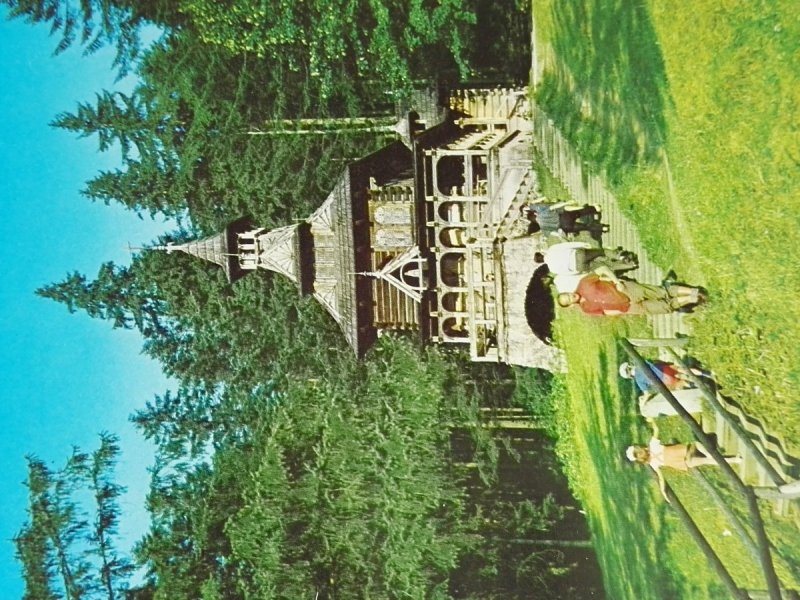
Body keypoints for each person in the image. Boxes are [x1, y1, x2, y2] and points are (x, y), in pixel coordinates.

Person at [626, 434, 741, 501]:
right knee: (699, 448)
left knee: (707, 460)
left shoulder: (653, 460)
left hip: (686, 460)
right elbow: (656, 430)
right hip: (686, 453)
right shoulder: (652, 446)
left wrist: (663, 492)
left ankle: (734, 459)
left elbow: (661, 478)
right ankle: (713, 454)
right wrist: (651, 422)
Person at [556, 266, 707, 315]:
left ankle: (693, 291)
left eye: (567, 295)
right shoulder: (586, 308)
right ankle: (691, 299)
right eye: (568, 299)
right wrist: (621, 311)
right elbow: (605, 313)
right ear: (570, 304)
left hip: (626, 290)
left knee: (661, 292)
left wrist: (616, 281)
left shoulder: (583, 284)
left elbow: (602, 269)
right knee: (664, 307)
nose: (571, 296)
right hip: (630, 307)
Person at [540, 242, 638, 293]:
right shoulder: (551, 249)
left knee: (602, 266)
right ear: (542, 253)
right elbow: (567, 245)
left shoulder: (553, 269)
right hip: (578, 255)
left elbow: (569, 273)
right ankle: (620, 257)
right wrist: (581, 244)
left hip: (578, 267)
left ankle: (630, 265)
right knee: (601, 252)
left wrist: (581, 271)